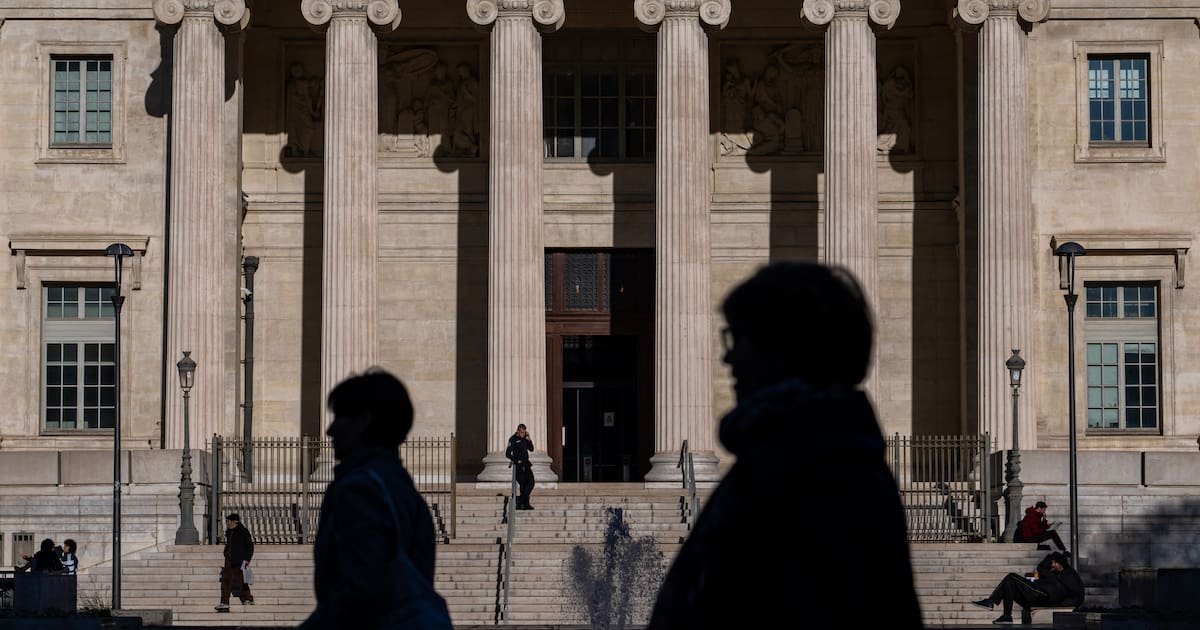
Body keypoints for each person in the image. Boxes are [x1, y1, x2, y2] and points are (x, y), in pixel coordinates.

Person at [647, 262, 923, 630]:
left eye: (738, 337)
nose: (727, 357)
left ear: (783, 346)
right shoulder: (792, 457)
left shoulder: (812, 475)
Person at [299, 369, 451, 629]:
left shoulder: (360, 491)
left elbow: (360, 591)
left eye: (340, 417)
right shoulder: (410, 497)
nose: (330, 429)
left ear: (364, 421)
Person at [972, 552, 1084, 623]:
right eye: (1052, 562)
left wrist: (1065, 604)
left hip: (1044, 595)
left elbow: (1079, 593)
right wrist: (1050, 557)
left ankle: (991, 601)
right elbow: (1040, 568)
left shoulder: (1068, 574)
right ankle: (1006, 616)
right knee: (1009, 585)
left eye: (1054, 563)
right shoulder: (1052, 573)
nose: (1052, 565)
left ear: (1060, 563)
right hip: (1039, 595)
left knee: (1012, 577)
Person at [215, 513, 254, 611]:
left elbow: (250, 547)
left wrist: (247, 560)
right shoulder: (229, 532)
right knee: (226, 582)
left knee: (242, 581)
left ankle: (248, 598)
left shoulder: (243, 532)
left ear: (235, 522)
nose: (227, 523)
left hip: (240, 560)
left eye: (228, 521)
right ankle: (224, 603)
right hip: (229, 559)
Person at [506, 424, 535, 510]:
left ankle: (520, 501)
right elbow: (507, 454)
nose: (523, 434)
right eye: (522, 432)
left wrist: (529, 440)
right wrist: (515, 460)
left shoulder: (525, 438)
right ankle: (524, 504)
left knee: (531, 483)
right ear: (518, 431)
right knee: (523, 485)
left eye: (524, 432)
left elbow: (531, 449)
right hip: (519, 465)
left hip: (526, 464)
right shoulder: (513, 439)